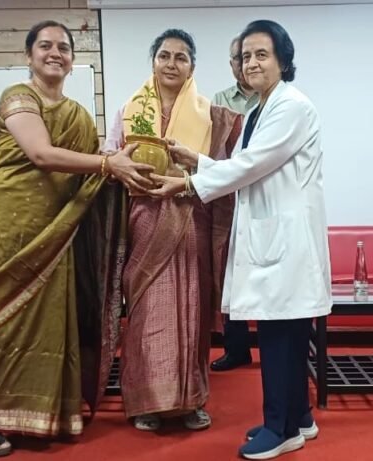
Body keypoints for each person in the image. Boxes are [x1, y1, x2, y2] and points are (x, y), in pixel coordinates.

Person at [0, 20, 153, 458]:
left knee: (51, 321)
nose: (54, 53)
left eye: (63, 47)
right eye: (45, 45)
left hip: (58, 230)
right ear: (29, 55)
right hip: (6, 226)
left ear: (72, 59)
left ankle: (49, 413)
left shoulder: (79, 115)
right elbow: (41, 154)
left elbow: (90, 171)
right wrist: (108, 165)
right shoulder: (18, 98)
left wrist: (125, 169)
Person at [150, 20, 330, 460]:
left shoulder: (292, 106)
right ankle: (300, 418)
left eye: (261, 55)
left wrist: (187, 183)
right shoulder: (257, 112)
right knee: (285, 331)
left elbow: (251, 166)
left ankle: (280, 428)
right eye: (245, 56)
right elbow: (246, 164)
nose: (251, 63)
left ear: (283, 60)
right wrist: (197, 160)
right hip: (273, 238)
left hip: (286, 241)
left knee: (280, 334)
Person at [103, 29, 242, 432]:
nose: (171, 63)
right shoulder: (129, 109)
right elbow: (109, 157)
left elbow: (226, 170)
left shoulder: (211, 116)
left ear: (192, 67)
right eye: (164, 55)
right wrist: (121, 168)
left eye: (181, 57)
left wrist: (190, 171)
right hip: (145, 220)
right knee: (148, 310)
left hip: (191, 217)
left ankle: (191, 400)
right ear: (153, 61)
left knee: (191, 309)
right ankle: (146, 403)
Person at [209, 35, 259, 373]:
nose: (246, 64)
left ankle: (276, 344)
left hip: (264, 191)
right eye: (239, 58)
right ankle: (237, 348)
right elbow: (217, 150)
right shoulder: (219, 101)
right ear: (231, 64)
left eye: (252, 56)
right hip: (229, 198)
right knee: (230, 271)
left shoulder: (273, 99)